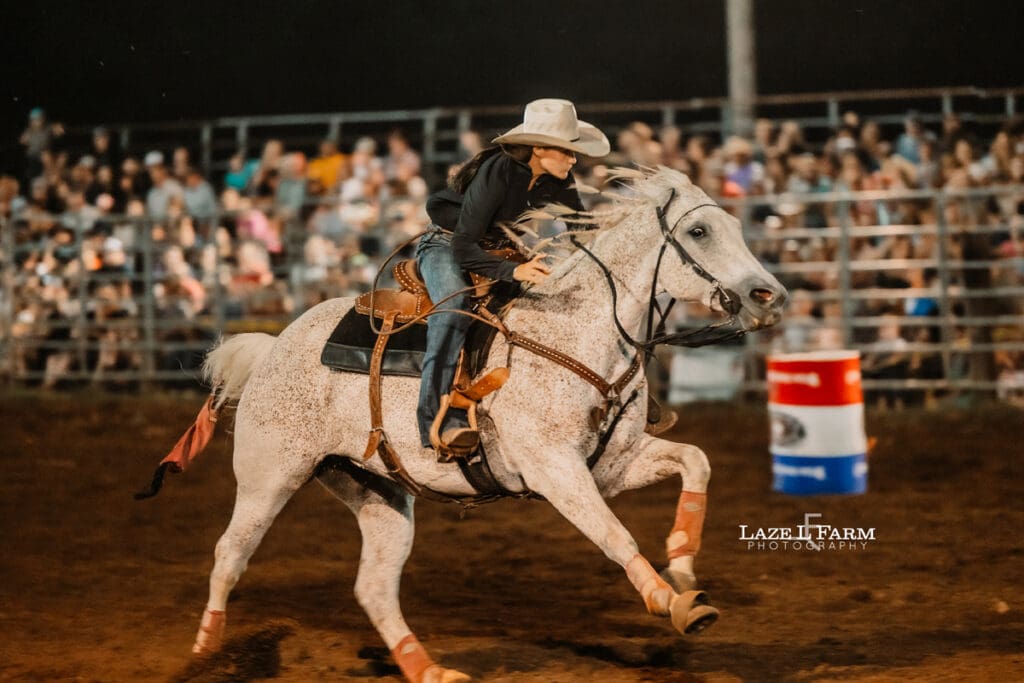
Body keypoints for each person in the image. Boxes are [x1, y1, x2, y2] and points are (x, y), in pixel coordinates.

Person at [416, 98, 609, 454]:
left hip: (496, 251)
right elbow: (463, 247)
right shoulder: (498, 172)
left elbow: (582, 233)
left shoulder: (561, 180)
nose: (573, 158)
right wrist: (514, 269)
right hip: (444, 245)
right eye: (566, 150)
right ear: (538, 148)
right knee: (455, 306)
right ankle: (435, 419)